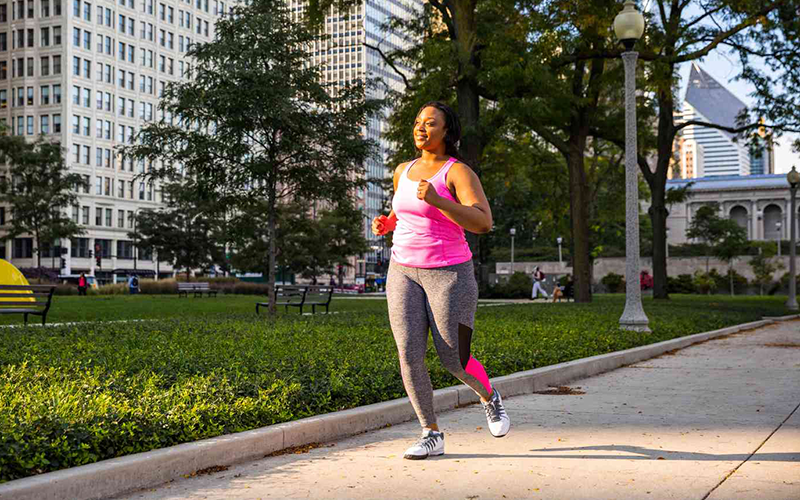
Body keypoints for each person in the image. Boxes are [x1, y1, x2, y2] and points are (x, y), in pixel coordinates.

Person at [372, 101, 510, 461]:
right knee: (409, 353)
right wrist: (387, 223)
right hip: (402, 270)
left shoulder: (457, 173)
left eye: (430, 123)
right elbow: (404, 213)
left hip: (450, 273)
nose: (421, 128)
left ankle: (489, 396)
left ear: (447, 131)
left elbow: (483, 222)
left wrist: (438, 200)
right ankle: (431, 432)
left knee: (455, 357)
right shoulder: (403, 170)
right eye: (418, 122)